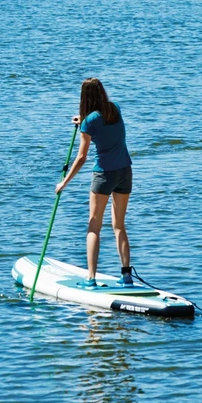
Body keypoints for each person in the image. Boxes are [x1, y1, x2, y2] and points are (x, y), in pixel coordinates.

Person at [55, 78, 134, 289]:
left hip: (104, 175)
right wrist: (82, 121)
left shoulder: (89, 122)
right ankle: (126, 275)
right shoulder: (114, 108)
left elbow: (81, 157)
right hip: (125, 171)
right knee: (119, 225)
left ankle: (91, 278)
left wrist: (64, 182)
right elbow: (101, 119)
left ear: (85, 97)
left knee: (94, 226)